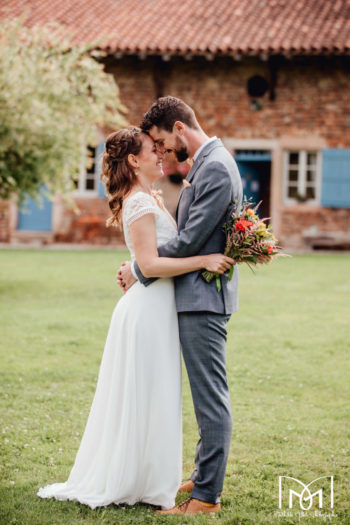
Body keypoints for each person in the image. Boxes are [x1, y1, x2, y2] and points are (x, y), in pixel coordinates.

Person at [37, 126, 234, 511]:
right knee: (146, 394)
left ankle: (149, 478)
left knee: (155, 394)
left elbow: (147, 257)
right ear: (133, 159)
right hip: (146, 311)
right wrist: (204, 260)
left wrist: (135, 265)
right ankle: (136, 479)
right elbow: (151, 263)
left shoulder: (150, 197)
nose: (160, 154)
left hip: (158, 307)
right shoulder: (139, 202)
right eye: (152, 150)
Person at [117, 96, 243, 515]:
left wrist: (139, 267)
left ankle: (205, 498)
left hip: (203, 297)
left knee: (210, 399)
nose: (164, 152)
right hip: (195, 294)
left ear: (179, 128)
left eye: (163, 143)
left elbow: (189, 240)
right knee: (207, 396)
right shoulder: (208, 165)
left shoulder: (217, 168)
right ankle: (203, 474)